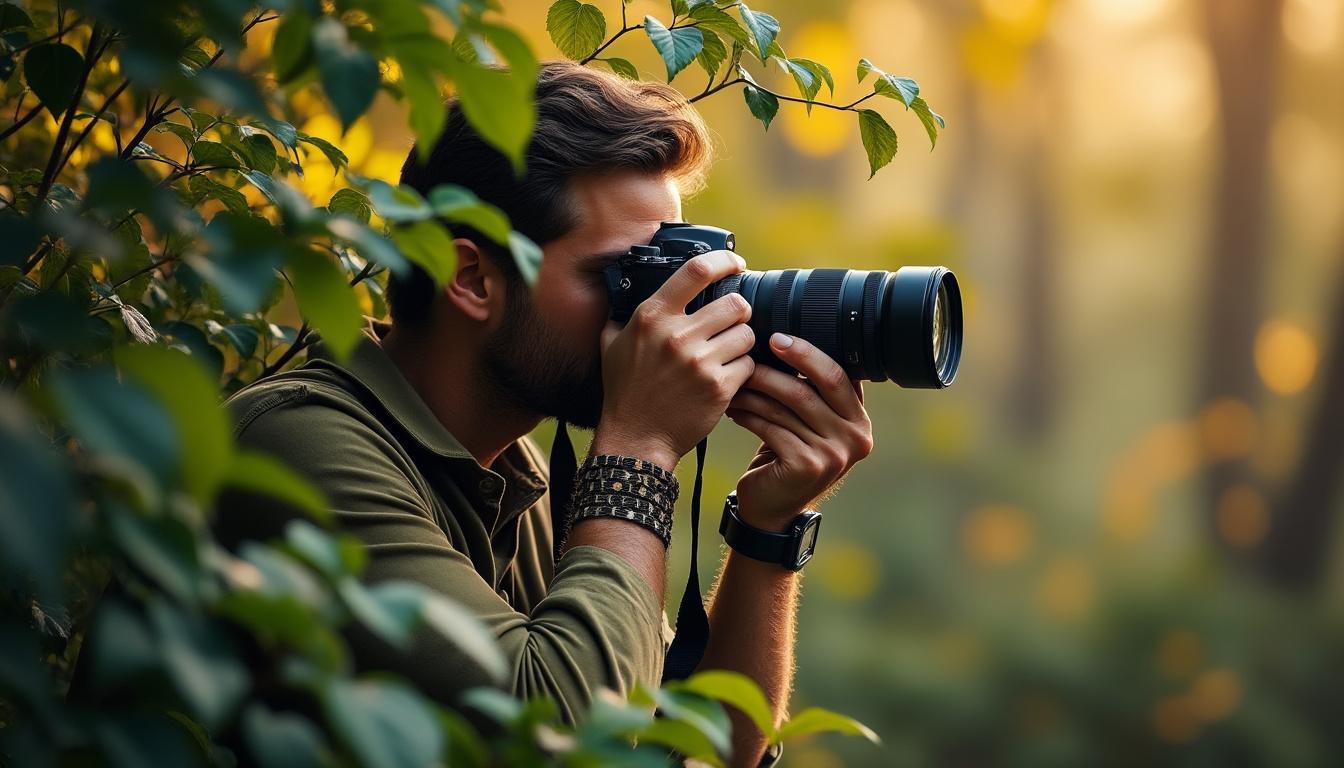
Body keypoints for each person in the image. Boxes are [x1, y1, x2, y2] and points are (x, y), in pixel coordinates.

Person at [215, 60, 873, 767]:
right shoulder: (295, 443)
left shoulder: (521, 475)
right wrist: (640, 447)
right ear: (472, 279)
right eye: (622, 276)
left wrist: (766, 530)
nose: (659, 318)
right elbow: (566, 741)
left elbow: (693, 753)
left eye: (668, 273)